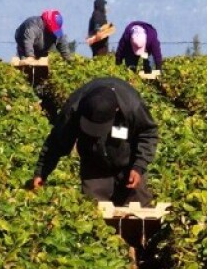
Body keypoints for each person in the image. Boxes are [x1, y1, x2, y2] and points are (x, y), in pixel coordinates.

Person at [31, 77, 158, 206]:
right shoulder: (74, 107)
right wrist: (42, 172)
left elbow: (148, 133)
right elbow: (57, 141)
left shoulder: (132, 105)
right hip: (94, 164)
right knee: (94, 212)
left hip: (128, 163)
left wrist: (138, 166)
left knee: (139, 212)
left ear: (116, 110)